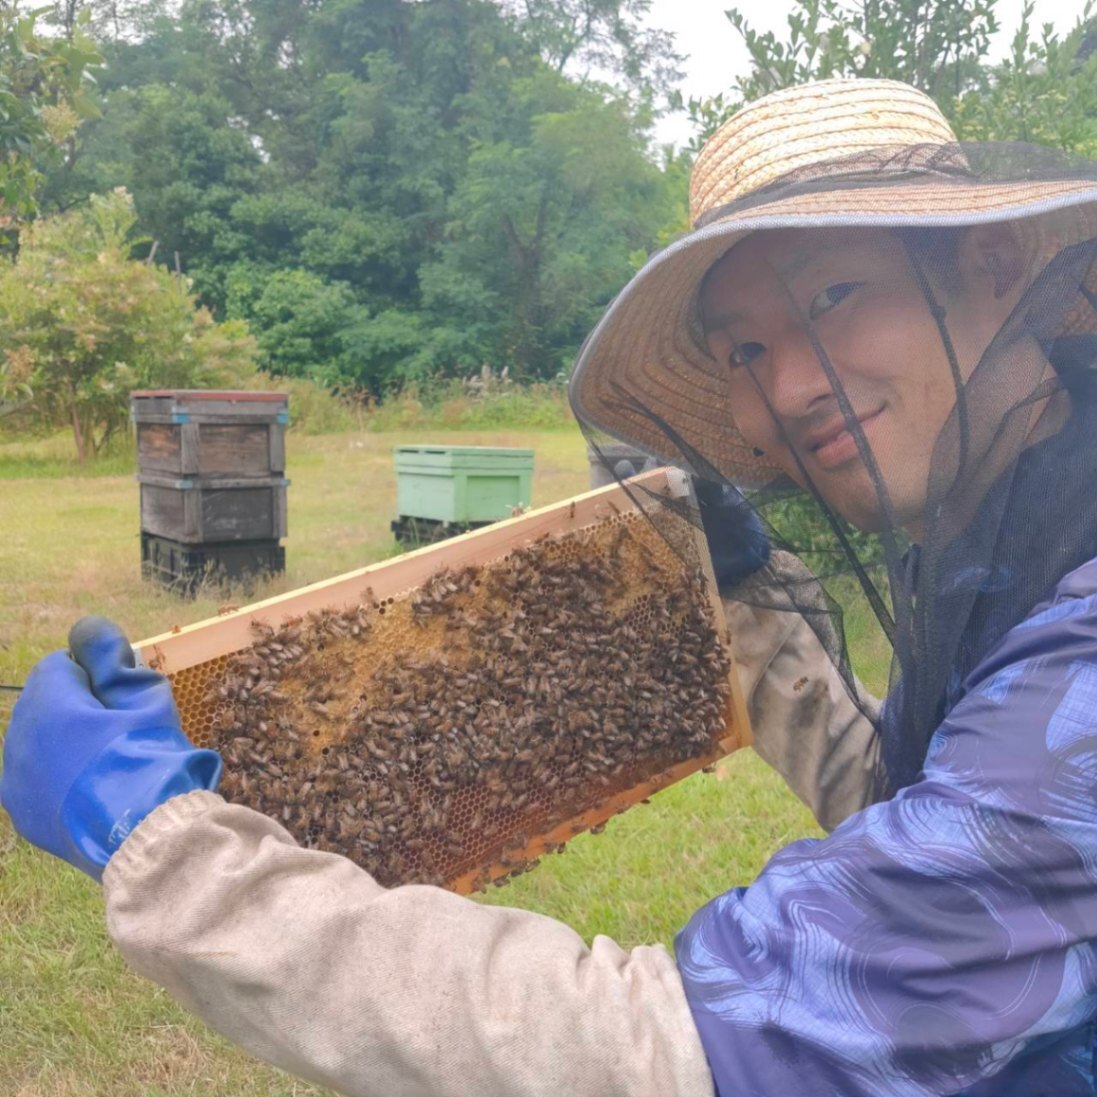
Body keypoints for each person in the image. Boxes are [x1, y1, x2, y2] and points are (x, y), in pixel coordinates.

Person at [5, 76, 1097, 1096]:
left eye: (835, 295)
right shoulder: (1008, 535)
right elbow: (933, 822)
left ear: (993, 265)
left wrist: (166, 846)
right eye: (745, 349)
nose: (789, 387)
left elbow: (674, 1046)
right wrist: (750, 608)